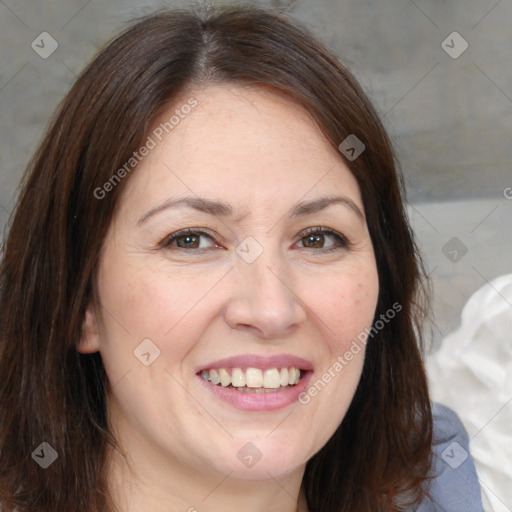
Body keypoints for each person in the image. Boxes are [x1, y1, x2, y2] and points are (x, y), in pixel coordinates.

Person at [0, 4, 484, 512]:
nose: (272, 310)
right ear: (81, 303)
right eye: (191, 240)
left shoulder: (434, 488)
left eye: (318, 238)